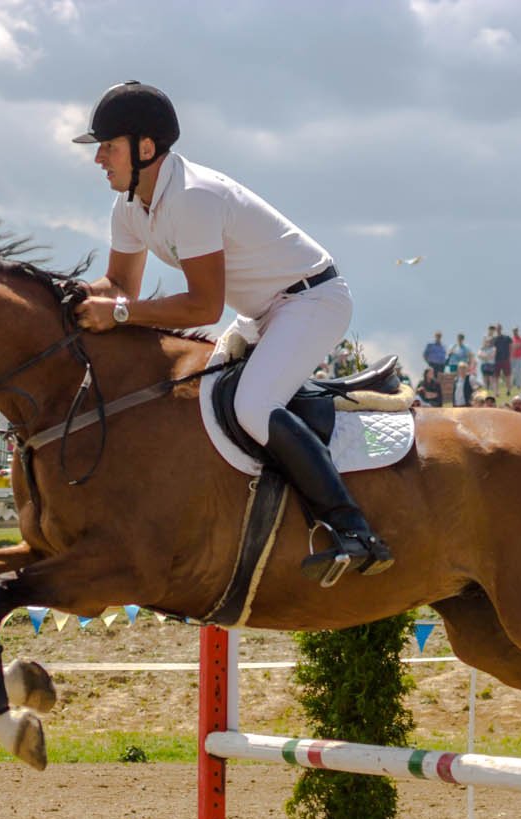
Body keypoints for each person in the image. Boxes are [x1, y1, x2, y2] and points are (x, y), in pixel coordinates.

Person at [71, 80, 392, 579]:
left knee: (253, 407)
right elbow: (119, 287)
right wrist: (68, 296)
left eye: (108, 147)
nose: (98, 159)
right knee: (198, 395)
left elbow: (203, 306)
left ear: (145, 148)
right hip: (261, 312)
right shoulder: (130, 205)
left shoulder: (193, 197)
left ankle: (353, 529)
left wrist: (118, 316)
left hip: (312, 299)